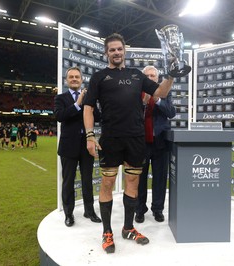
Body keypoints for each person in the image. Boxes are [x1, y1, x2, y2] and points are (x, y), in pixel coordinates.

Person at [83, 33, 174, 254]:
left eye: (119, 49)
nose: (116, 53)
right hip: (110, 139)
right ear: (106, 52)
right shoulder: (99, 77)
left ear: (125, 52)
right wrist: (89, 136)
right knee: (107, 183)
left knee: (132, 182)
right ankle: (107, 232)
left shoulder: (136, 75)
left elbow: (161, 92)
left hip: (135, 138)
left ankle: (128, 228)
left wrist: (171, 74)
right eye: (112, 49)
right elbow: (88, 108)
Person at [54, 66, 102, 227]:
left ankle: (89, 210)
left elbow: (98, 116)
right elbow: (60, 116)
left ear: (82, 79)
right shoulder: (60, 98)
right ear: (67, 80)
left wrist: (95, 102)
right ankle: (69, 214)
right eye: (71, 77)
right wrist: (78, 103)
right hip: (68, 146)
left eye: (77, 77)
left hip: (87, 145)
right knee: (68, 181)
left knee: (88, 179)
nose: (74, 79)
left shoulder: (89, 97)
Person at [135, 66, 176, 224]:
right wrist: (144, 104)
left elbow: (171, 112)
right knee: (140, 178)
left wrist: (158, 99)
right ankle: (139, 210)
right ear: (143, 78)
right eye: (147, 75)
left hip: (160, 142)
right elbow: (132, 115)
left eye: (153, 75)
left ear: (158, 78)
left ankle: (157, 209)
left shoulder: (166, 92)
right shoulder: (136, 92)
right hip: (140, 142)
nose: (150, 77)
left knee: (160, 178)